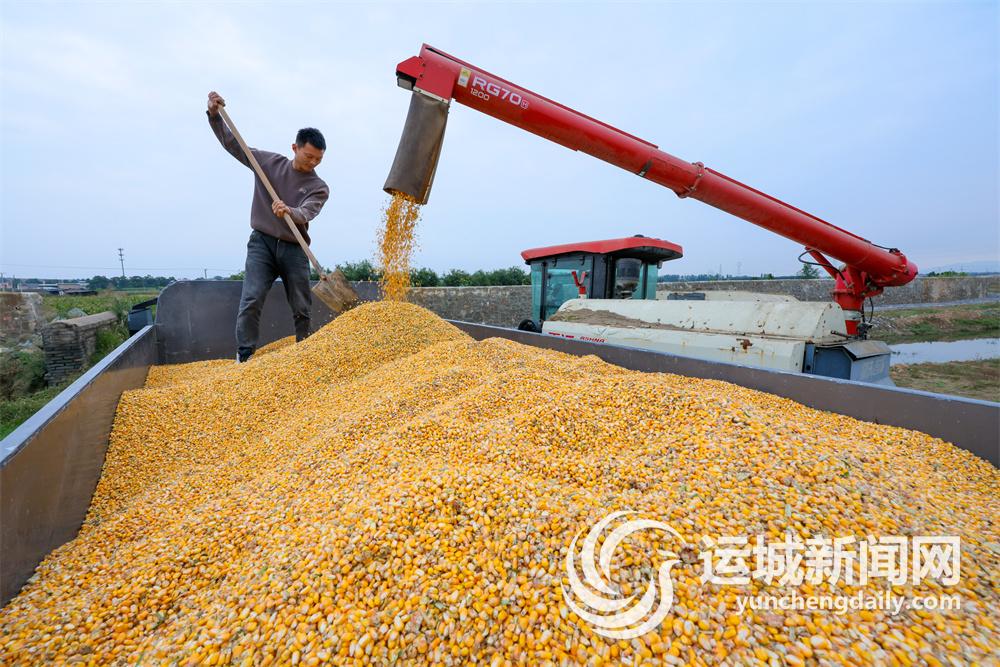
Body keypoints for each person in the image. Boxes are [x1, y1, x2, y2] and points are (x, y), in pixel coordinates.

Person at [206, 91, 330, 363]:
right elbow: (233, 144)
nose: (313, 163)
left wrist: (290, 211)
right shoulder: (268, 163)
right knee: (251, 299)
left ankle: (304, 355)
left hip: (295, 248)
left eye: (318, 159)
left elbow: (308, 212)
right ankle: (245, 356)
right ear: (295, 148)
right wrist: (215, 116)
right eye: (308, 156)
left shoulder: (319, 187)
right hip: (261, 243)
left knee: (301, 306)